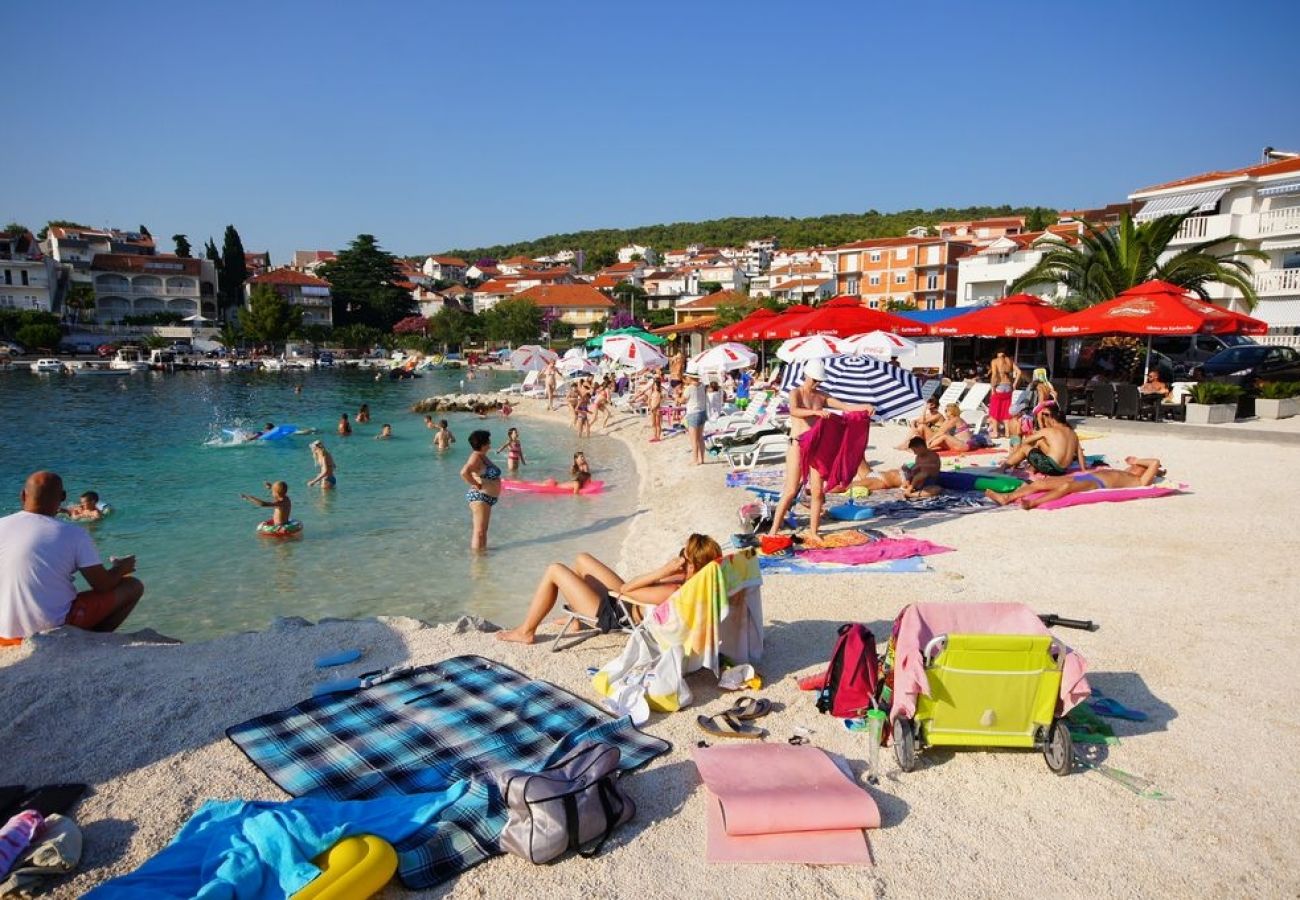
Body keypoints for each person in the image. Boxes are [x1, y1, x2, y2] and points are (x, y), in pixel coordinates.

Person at [495, 533, 722, 644]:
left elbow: (626, 588)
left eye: (683, 555)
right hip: (624, 604)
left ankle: (525, 631)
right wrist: (673, 573)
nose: (678, 556)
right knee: (583, 559)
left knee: (555, 570)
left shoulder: (673, 591)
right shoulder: (690, 584)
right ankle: (577, 620)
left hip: (614, 613)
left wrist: (662, 571)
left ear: (692, 565)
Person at [0, 471, 143, 639]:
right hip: (50, 628)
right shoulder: (74, 534)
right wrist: (120, 568)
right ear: (63, 496)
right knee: (133, 586)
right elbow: (103, 585)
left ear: (23, 495)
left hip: (4, 633)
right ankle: (92, 639)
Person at [768, 358, 875, 538]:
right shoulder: (796, 392)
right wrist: (815, 412)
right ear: (806, 375)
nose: (817, 383)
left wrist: (864, 406)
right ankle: (773, 531)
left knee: (817, 491)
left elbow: (846, 407)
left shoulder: (821, 395)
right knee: (791, 490)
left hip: (816, 448)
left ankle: (813, 531)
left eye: (819, 380)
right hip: (797, 445)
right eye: (814, 379)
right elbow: (794, 410)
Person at [987, 457, 1164, 510]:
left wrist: (1139, 460)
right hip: (1088, 476)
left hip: (1097, 484)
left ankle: (1033, 503)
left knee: (1066, 488)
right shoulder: (1126, 472)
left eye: (1139, 466)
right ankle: (1007, 497)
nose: (1135, 466)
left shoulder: (1139, 480)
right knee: (1042, 483)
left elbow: (1155, 462)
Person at [998, 406, 1086, 475]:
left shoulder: (1048, 431)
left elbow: (1025, 441)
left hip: (1050, 468)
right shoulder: (1073, 433)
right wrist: (1084, 470)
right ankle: (1031, 469)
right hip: (1062, 470)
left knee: (1026, 447)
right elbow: (1080, 454)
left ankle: (1004, 467)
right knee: (1041, 443)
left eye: (1047, 417)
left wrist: (1035, 437)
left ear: (1052, 419)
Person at [855, 437, 942, 499]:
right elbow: (916, 469)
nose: (915, 453)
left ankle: (911, 493)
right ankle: (910, 488)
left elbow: (934, 466)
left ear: (921, 447)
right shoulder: (918, 457)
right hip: (913, 480)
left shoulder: (933, 456)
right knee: (913, 473)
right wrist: (910, 474)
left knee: (935, 487)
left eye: (915, 450)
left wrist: (921, 466)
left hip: (927, 480)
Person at [461, 430, 501, 552]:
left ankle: (483, 556)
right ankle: (478, 561)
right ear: (482, 443)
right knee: (479, 531)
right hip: (480, 497)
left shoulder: (481, 456)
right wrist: (476, 484)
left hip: (486, 498)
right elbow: (464, 472)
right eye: (488, 440)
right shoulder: (475, 457)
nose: (490, 443)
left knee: (483, 531)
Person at [987, 350, 1022, 438]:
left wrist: (993, 387)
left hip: (999, 386)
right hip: (1009, 387)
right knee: (1006, 409)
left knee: (994, 410)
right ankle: (1007, 432)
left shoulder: (995, 361)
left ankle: (995, 432)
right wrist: (1014, 384)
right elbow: (1019, 372)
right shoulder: (1010, 361)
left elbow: (994, 375)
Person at [682, 366, 708, 465]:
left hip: (693, 413)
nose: (686, 378)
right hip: (702, 412)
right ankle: (702, 459)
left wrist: (677, 397)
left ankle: (695, 460)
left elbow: (682, 400)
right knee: (700, 438)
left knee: (693, 439)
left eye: (687, 376)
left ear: (690, 377)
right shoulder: (703, 386)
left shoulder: (689, 388)